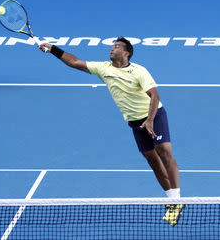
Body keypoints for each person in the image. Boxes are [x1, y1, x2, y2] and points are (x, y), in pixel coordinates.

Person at [38, 37, 184, 225]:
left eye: (116, 47)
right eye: (112, 46)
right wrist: (53, 49)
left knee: (165, 153)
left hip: (154, 116)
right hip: (134, 121)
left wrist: (149, 120)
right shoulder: (103, 68)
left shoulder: (139, 71)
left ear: (126, 53)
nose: (111, 49)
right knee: (153, 161)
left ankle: (177, 200)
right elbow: (75, 62)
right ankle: (172, 202)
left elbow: (155, 95)